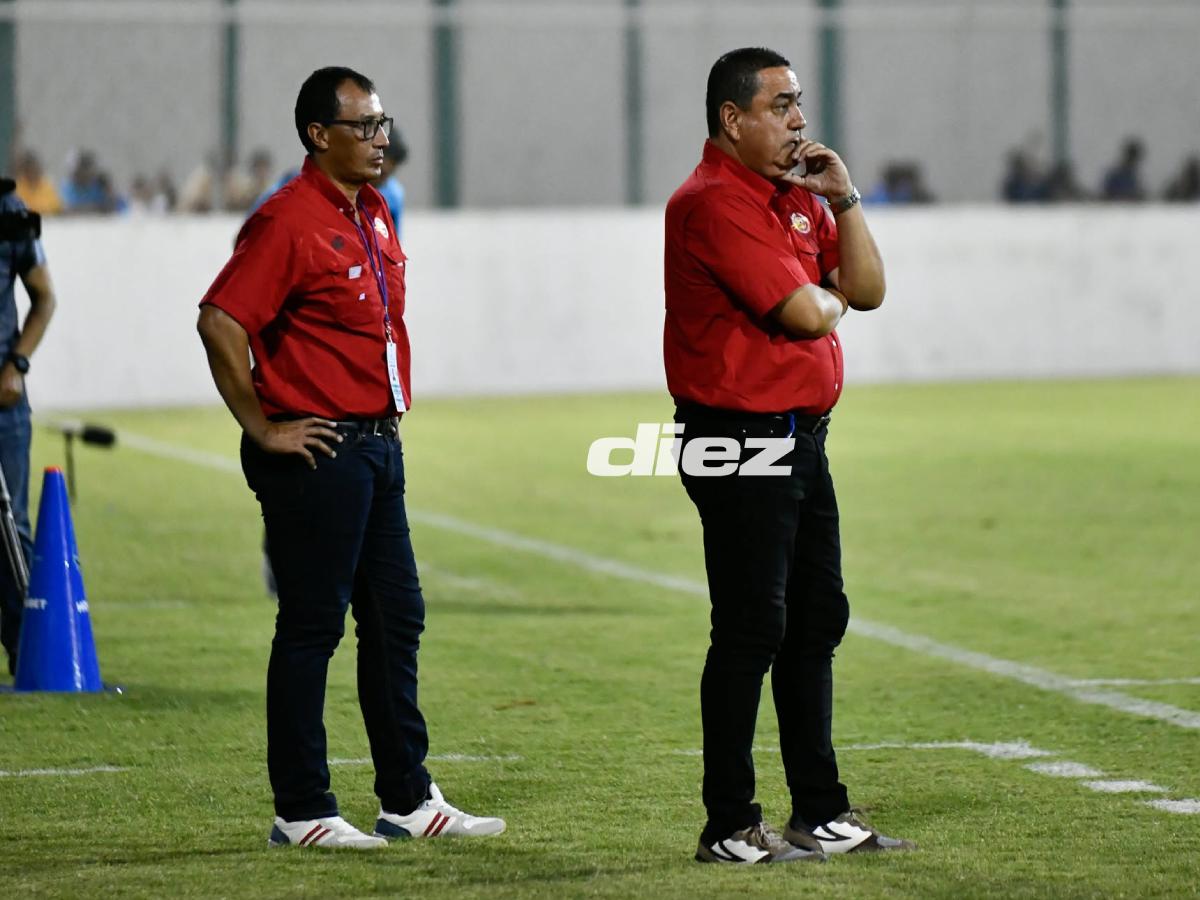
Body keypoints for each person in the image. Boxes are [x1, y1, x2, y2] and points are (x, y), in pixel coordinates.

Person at [196, 66, 505, 849]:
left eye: (382, 124)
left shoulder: (371, 213)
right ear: (317, 135)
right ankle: (301, 809)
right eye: (363, 126)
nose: (380, 139)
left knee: (397, 618)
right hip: (320, 448)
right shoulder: (289, 220)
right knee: (311, 628)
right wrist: (265, 426)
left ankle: (408, 798)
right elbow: (220, 320)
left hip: (375, 445)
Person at [664, 47, 914, 864]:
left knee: (814, 622)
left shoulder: (797, 199)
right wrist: (829, 296)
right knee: (750, 628)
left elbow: (868, 290)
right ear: (733, 120)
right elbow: (808, 314)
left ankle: (819, 812)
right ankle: (728, 822)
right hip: (736, 440)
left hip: (801, 439)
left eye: (798, 104)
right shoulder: (710, 202)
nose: (799, 121)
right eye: (780, 106)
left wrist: (843, 199)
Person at [0, 177, 57, 676]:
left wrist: (17, 365)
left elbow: (44, 298)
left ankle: (28, 651)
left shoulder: (7, 208)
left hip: (2, 396)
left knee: (9, 523)